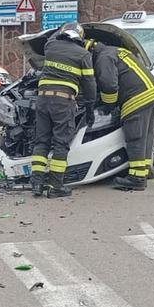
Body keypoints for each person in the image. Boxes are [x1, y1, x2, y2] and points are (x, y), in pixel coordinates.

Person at [90, 39, 154, 190]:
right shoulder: (117, 51)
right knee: (146, 135)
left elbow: (109, 86)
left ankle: (137, 179)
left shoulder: (103, 58)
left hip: (137, 98)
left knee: (135, 137)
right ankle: (142, 173)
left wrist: (108, 106)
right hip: (152, 93)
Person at [31, 22, 97, 198]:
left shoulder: (50, 46)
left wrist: (61, 29)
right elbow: (90, 84)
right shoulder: (84, 55)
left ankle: (37, 183)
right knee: (60, 143)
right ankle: (55, 186)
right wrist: (90, 108)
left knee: (42, 142)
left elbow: (52, 36)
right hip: (63, 102)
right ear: (80, 38)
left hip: (42, 99)